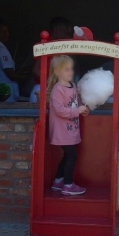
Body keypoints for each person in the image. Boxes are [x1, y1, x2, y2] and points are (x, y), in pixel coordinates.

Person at [47, 55, 89, 196]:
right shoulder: (57, 89)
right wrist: (77, 111)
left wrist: (83, 109)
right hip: (61, 130)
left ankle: (58, 182)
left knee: (68, 155)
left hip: (72, 128)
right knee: (72, 155)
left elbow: (76, 103)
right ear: (56, 72)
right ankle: (68, 185)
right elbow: (59, 110)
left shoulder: (73, 86)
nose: (70, 72)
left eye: (71, 69)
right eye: (66, 69)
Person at [0, 19, 20, 102]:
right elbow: (10, 74)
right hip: (7, 91)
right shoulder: (1, 49)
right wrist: (25, 78)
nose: (5, 34)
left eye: (6, 31)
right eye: (1, 31)